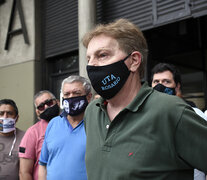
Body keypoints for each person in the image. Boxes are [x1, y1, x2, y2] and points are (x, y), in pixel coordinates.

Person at [82, 18, 207, 180]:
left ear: (134, 61)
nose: (92, 66)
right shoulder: (92, 112)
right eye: (89, 59)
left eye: (102, 55)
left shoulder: (171, 111)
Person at [151, 62, 207, 180]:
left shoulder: (195, 114)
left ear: (177, 87)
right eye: (156, 82)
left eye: (166, 81)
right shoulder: (143, 114)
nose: (160, 86)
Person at [38, 75, 92, 180]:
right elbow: (43, 164)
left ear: (89, 97)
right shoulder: (53, 123)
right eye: (67, 94)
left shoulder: (96, 123)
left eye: (76, 93)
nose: (71, 97)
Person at [19, 90, 60, 180]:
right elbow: (24, 172)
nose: (46, 107)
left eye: (49, 102)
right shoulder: (32, 132)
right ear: (37, 112)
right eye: (41, 107)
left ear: (57, 102)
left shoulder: (72, 124)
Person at [0, 99, 25, 180]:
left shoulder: (26, 137)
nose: (5, 117)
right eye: (1, 113)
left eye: (10, 113)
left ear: (16, 118)